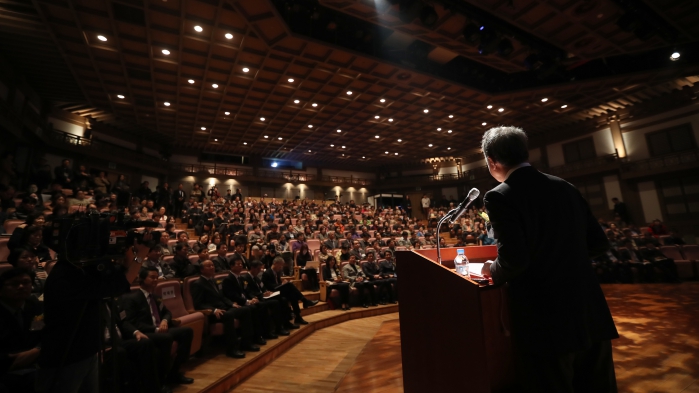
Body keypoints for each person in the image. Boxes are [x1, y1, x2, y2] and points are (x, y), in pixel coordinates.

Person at [480, 126, 618, 393]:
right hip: (589, 310)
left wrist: (492, 269)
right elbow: (599, 243)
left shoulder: (500, 195)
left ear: (491, 161)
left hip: (545, 317)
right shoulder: (565, 186)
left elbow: (514, 260)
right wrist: (561, 257)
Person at [119, 268, 194, 386]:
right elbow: (132, 322)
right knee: (166, 338)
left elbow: (167, 312)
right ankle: (161, 380)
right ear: (142, 280)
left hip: (160, 328)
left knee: (187, 331)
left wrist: (164, 320)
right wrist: (156, 329)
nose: (155, 280)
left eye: (156, 277)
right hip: (145, 331)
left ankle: (174, 372)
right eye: (152, 277)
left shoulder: (156, 297)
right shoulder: (131, 298)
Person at [191, 260, 257, 358]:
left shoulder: (214, 281)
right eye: (208, 266)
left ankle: (246, 342)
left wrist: (231, 304)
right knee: (229, 315)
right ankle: (232, 349)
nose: (212, 267)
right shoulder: (198, 284)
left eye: (213, 265)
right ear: (202, 270)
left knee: (246, 309)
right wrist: (213, 310)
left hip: (225, 308)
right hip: (213, 313)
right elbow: (198, 304)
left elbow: (222, 296)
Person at [0, 268, 42, 392]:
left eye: (26, 282)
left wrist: (36, 350)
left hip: (35, 366)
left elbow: (41, 334)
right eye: (14, 284)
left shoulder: (36, 307)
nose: (21, 286)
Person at [221, 256, 275, 342]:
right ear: (231, 266)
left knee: (261, 304)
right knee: (254, 307)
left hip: (245, 300)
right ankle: (255, 337)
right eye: (238, 264)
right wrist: (247, 301)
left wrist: (252, 298)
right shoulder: (228, 279)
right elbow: (233, 295)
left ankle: (264, 332)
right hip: (237, 302)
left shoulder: (240, 278)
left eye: (241, 264)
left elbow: (246, 291)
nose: (240, 266)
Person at [239, 260, 296, 334]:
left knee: (283, 299)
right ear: (252, 268)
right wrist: (262, 295)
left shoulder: (256, 278)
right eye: (258, 269)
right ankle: (278, 328)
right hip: (257, 298)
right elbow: (248, 292)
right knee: (275, 303)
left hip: (264, 297)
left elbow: (263, 287)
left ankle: (286, 323)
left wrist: (267, 291)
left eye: (260, 269)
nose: (259, 271)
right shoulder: (246, 278)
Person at [261, 257, 317, 325]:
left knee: (293, 296)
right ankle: (304, 301)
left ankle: (298, 317)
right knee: (289, 285)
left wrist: (282, 284)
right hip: (271, 293)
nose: (281, 267)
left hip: (278, 291)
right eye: (280, 265)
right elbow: (269, 286)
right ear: (275, 263)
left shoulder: (276, 273)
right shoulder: (267, 273)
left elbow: (277, 284)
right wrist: (281, 284)